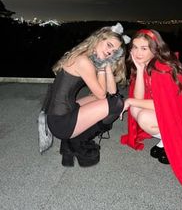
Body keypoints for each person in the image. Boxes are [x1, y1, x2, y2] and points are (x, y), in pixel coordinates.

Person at [120, 29, 182, 200]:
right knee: (136, 110)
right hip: (171, 112)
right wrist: (140, 70)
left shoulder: (162, 69)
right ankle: (165, 140)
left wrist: (129, 102)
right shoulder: (147, 64)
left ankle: (170, 141)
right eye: (135, 47)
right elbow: (139, 97)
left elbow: (163, 107)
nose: (137, 52)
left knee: (140, 114)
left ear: (155, 48)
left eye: (144, 48)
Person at [43, 23, 130, 167]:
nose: (110, 52)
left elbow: (112, 91)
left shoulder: (88, 57)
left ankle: (70, 143)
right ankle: (77, 141)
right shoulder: (83, 61)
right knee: (116, 104)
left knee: (113, 99)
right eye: (109, 45)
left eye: (114, 51)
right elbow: (103, 95)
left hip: (62, 113)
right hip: (61, 123)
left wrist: (107, 64)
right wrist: (102, 67)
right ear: (98, 39)